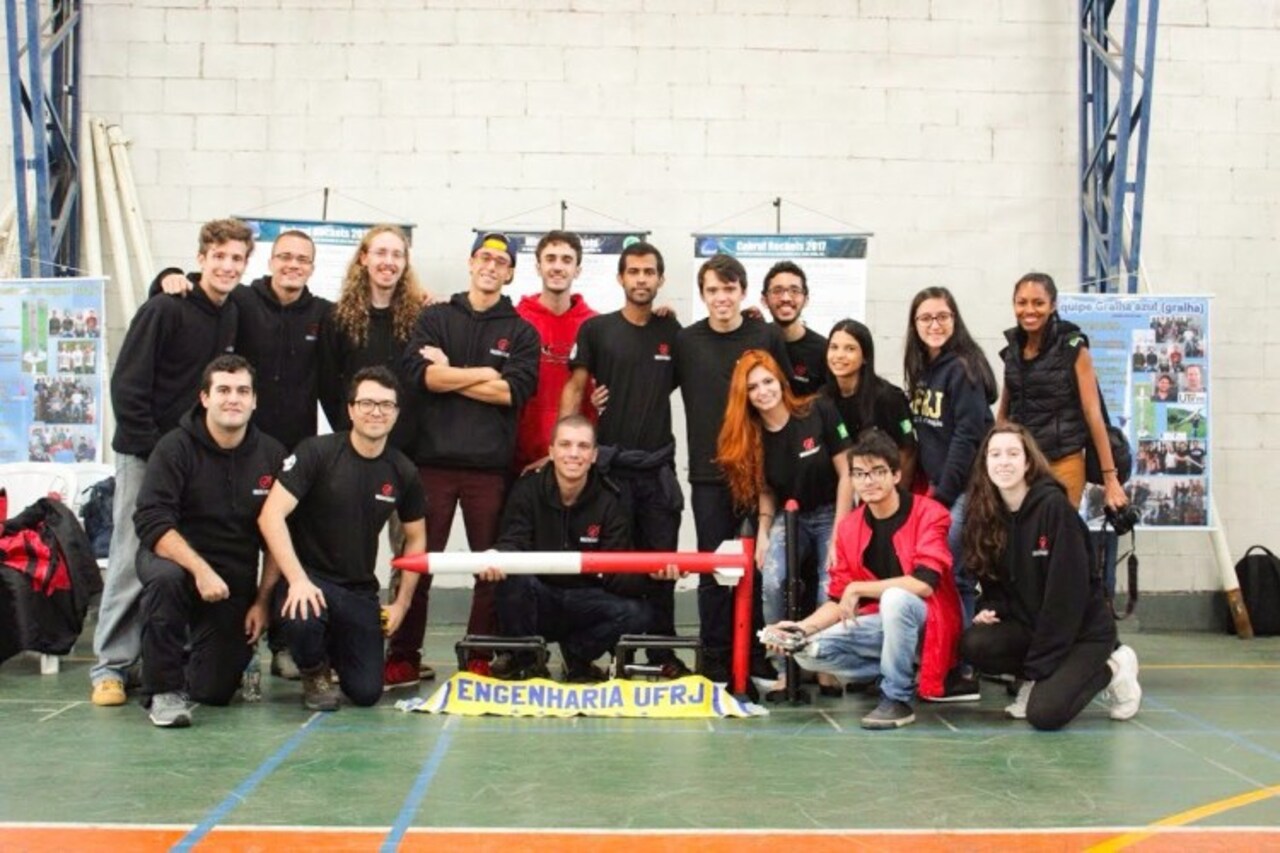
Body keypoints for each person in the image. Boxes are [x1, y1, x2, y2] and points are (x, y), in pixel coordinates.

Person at [156, 230, 334, 681]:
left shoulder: (324, 315)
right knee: (224, 542)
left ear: (312, 267)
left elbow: (335, 381)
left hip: (292, 453)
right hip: (235, 447)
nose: (294, 265)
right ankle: (182, 641)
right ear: (270, 261)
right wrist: (170, 276)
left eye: (303, 259)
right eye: (285, 257)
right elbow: (204, 296)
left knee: (288, 545)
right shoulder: (243, 303)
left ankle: (282, 642)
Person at [90, 218, 248, 708]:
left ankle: (155, 658)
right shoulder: (165, 307)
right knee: (130, 555)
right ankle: (110, 666)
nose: (226, 266)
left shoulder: (231, 314)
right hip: (145, 453)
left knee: (176, 556)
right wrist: (152, 449)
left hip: (191, 457)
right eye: (218, 256)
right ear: (201, 259)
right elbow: (127, 386)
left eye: (236, 258)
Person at [388, 231, 539, 684]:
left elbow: (513, 391)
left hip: (489, 471)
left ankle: (478, 652)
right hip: (430, 465)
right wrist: (483, 373)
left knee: (488, 567)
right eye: (484, 258)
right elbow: (420, 377)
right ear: (470, 263)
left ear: (510, 271)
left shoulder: (521, 331)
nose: (491, 266)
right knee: (419, 563)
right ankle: (403, 655)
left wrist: (448, 371)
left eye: (501, 261)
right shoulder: (435, 317)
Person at [764, 429, 963, 729]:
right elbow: (837, 599)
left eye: (877, 472)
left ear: (896, 475)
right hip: (882, 625)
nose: (868, 482)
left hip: (928, 622)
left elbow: (923, 583)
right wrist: (800, 628)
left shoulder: (929, 513)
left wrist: (860, 587)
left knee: (896, 599)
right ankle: (897, 669)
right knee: (806, 652)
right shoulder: (849, 528)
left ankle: (897, 698)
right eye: (859, 474)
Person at [257, 367, 427, 711]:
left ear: (396, 413)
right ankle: (314, 672)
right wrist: (297, 580)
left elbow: (416, 539)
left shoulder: (403, 471)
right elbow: (270, 516)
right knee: (303, 616)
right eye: (366, 402)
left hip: (357, 589)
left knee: (366, 693)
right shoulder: (316, 453)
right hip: (309, 579)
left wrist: (401, 604)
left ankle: (336, 648)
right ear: (350, 409)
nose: (376, 411)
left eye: (385, 405)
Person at [134, 356, 286, 727]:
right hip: (173, 558)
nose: (233, 399)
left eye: (242, 391)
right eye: (223, 390)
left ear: (254, 401)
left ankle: (176, 660)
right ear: (204, 398)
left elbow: (279, 535)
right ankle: (162, 690)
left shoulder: (272, 454)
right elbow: (152, 521)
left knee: (213, 692)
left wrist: (262, 602)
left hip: (231, 575)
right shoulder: (173, 448)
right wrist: (199, 570)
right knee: (167, 582)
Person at [959, 423, 1141, 730]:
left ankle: (1115, 666)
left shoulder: (1053, 509)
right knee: (974, 644)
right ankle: (1043, 677)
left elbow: (1065, 600)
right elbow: (995, 585)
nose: (1003, 461)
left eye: (1013, 453)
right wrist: (991, 610)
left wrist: (1038, 668)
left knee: (1044, 715)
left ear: (1028, 461)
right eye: (995, 454)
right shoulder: (986, 514)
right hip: (1034, 626)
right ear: (985, 462)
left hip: (1083, 632)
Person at [560, 241, 686, 674]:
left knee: (661, 566)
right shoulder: (596, 330)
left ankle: (662, 655)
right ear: (620, 278)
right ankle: (588, 655)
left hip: (657, 474)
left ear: (660, 279)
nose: (641, 279)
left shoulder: (672, 332)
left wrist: (749, 320)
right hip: (609, 474)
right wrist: (562, 452)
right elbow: (576, 389)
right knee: (609, 569)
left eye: (649, 272)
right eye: (633, 272)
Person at [675, 253, 793, 682]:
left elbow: (782, 397)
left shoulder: (765, 335)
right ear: (702, 295)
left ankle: (759, 652)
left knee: (764, 566)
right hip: (709, 475)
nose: (721, 298)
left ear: (743, 292)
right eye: (712, 290)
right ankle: (716, 656)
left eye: (729, 289)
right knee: (714, 567)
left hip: (763, 473)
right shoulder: (686, 341)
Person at [716, 350, 852, 693]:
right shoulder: (752, 435)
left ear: (780, 380)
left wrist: (840, 531)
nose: (763, 391)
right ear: (744, 396)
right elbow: (766, 492)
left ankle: (824, 663)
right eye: (753, 387)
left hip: (829, 512)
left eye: (767, 381)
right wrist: (763, 532)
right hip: (787, 517)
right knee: (773, 579)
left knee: (828, 583)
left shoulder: (817, 410)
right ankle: (782, 667)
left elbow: (847, 473)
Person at [481, 415, 653, 682]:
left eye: (583, 447)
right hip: (538, 598)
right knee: (512, 582)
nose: (574, 454)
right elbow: (513, 540)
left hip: (586, 601)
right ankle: (527, 660)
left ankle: (577, 655)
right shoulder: (527, 490)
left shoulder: (611, 501)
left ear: (594, 455)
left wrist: (650, 574)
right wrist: (498, 557)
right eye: (565, 445)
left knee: (638, 613)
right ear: (551, 451)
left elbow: (618, 571)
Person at [903, 286, 996, 685]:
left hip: (962, 488)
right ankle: (948, 655)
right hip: (940, 487)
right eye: (926, 318)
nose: (934, 324)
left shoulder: (962, 369)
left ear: (955, 320)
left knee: (956, 575)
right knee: (944, 574)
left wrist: (942, 497)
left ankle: (964, 664)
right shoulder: (927, 368)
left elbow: (967, 437)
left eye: (942, 316)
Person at [998, 272, 1128, 512]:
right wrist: (994, 459)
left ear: (1053, 305)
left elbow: (1093, 412)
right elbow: (1003, 415)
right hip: (1021, 465)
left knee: (1058, 538)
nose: (1029, 310)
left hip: (1063, 462)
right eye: (1022, 302)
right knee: (1020, 539)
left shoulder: (1073, 347)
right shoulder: (1012, 350)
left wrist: (1110, 478)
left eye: (1038, 303)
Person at [318, 225, 426, 456]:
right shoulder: (337, 318)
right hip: (353, 443)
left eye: (397, 255)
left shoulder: (422, 319)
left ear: (405, 263)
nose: (389, 261)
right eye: (381, 252)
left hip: (409, 448)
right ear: (364, 258)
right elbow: (327, 385)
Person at [513, 230, 598, 472]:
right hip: (517, 457)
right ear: (538, 267)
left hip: (575, 459)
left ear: (578, 270)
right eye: (550, 259)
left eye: (566, 260)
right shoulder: (515, 319)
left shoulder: (595, 325)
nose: (558, 267)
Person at [825, 318, 916, 484]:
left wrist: (899, 499)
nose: (839, 355)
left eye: (850, 349)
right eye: (834, 347)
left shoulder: (888, 397)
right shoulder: (823, 398)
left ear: (865, 356)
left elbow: (907, 453)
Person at [761, 261, 829, 391]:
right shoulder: (756, 342)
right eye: (777, 291)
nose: (786, 298)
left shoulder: (823, 350)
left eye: (794, 291)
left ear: (806, 300)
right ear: (764, 300)